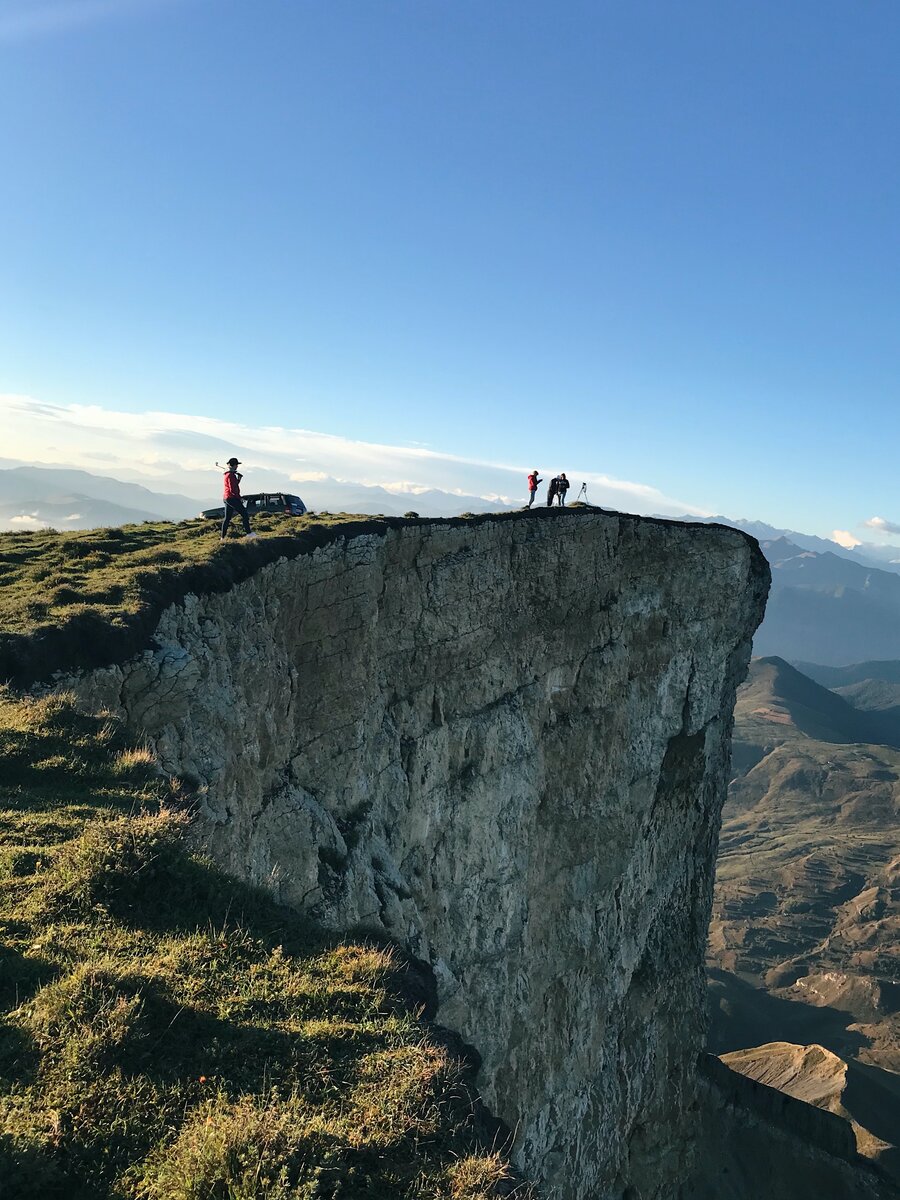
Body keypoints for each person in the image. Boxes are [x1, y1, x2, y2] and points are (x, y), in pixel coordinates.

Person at [220, 458, 257, 542]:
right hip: (232, 498)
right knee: (244, 514)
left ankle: (223, 537)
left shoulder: (227, 474)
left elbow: (232, 485)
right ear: (233, 465)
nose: (237, 466)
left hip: (226, 498)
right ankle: (249, 533)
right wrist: (239, 498)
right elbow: (233, 489)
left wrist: (238, 479)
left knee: (227, 518)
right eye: (236, 465)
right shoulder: (231, 475)